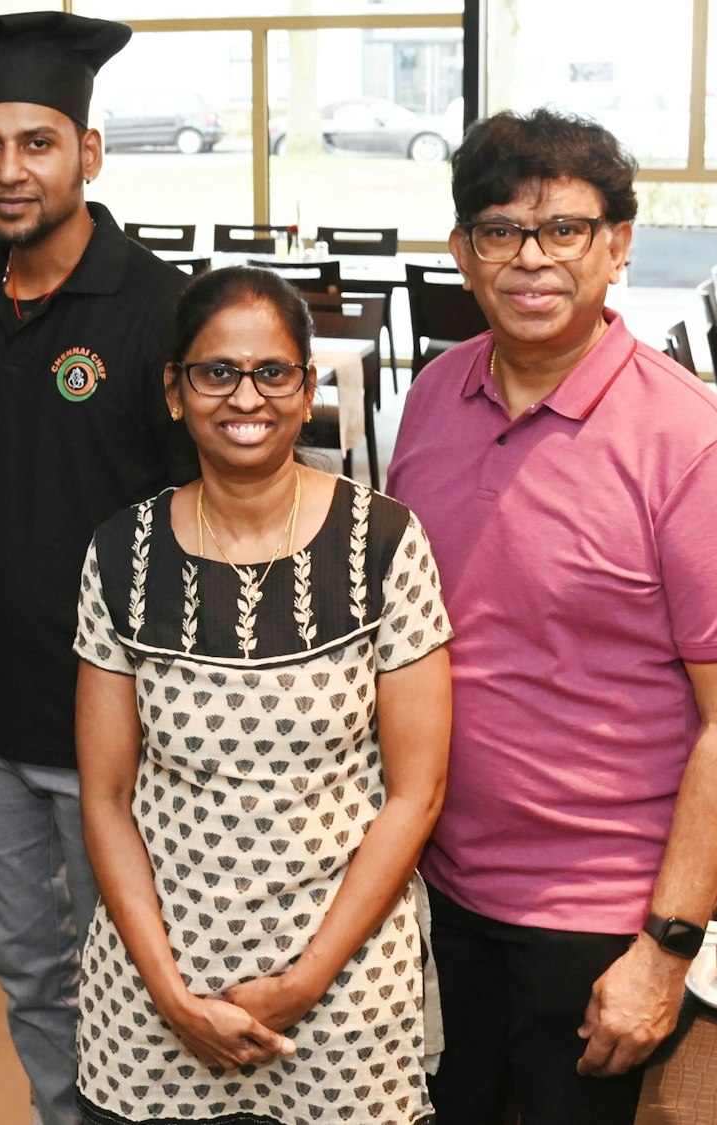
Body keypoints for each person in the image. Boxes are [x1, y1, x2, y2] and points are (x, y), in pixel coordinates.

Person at [386, 108, 717, 1123]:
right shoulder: (433, 397)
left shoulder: (689, 445)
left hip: (597, 919)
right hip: (430, 889)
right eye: (498, 231)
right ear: (460, 253)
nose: (530, 259)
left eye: (562, 229)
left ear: (615, 246)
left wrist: (664, 949)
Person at [73, 267, 453, 1125]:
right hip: (157, 979)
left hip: (344, 983)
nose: (247, 395)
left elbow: (416, 790)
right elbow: (104, 796)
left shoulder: (386, 542)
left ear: (308, 387)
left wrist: (304, 980)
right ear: (176, 391)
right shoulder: (121, 554)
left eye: (273, 372)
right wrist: (169, 993)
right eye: (216, 372)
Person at [0, 13, 197, 1123]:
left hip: (120, 726)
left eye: (36, 143)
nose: (8, 170)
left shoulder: (162, 307)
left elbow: (206, 519)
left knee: (139, 974)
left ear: (89, 151)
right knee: (32, 978)